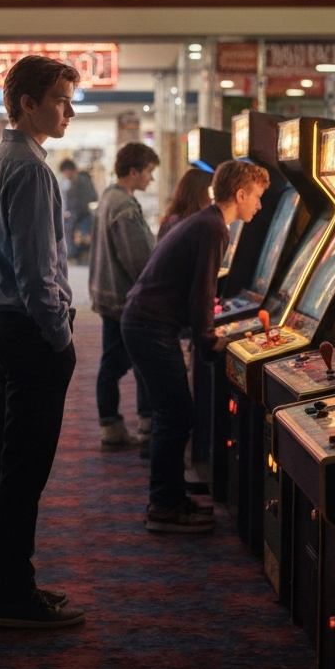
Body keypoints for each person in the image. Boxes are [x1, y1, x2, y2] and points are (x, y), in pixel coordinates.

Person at [0, 55, 86, 629]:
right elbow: (39, 272)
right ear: (27, 103)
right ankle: (12, 595)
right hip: (30, 331)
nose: (69, 110)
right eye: (61, 99)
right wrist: (60, 336)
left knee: (8, 467)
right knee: (24, 472)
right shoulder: (33, 170)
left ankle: (6, 586)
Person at [122, 158, 270, 533]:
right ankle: (163, 507)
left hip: (146, 323)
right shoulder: (214, 228)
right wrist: (208, 342)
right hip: (149, 327)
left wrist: (208, 337)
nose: (260, 205)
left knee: (173, 416)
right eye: (256, 196)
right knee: (175, 417)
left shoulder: (206, 221)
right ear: (239, 194)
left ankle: (170, 496)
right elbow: (202, 292)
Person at [88, 141, 160, 451]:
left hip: (109, 295)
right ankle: (114, 425)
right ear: (134, 171)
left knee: (120, 362)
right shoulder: (124, 207)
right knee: (120, 363)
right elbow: (138, 260)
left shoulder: (110, 196)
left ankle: (124, 422)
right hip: (124, 300)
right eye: (149, 172)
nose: (151, 179)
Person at [157, 164, 214, 242]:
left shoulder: (172, 220)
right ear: (200, 193)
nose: (213, 198)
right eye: (211, 191)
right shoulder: (185, 224)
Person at [59, 158, 97, 261]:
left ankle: (74, 255)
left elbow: (78, 203)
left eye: (65, 173)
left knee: (70, 229)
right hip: (86, 214)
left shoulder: (79, 182)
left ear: (69, 170)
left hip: (83, 216)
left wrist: (72, 215)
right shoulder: (85, 179)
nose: (65, 176)